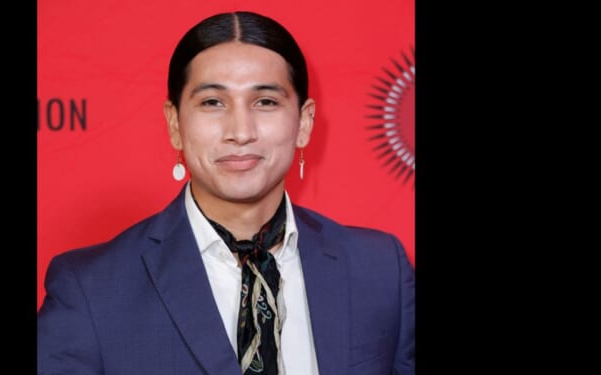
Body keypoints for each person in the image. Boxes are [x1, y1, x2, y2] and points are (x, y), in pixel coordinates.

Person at [37, 10, 414, 375]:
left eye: (265, 102)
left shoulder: (380, 271)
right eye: (213, 102)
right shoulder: (91, 290)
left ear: (304, 122)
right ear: (174, 123)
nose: (240, 130)